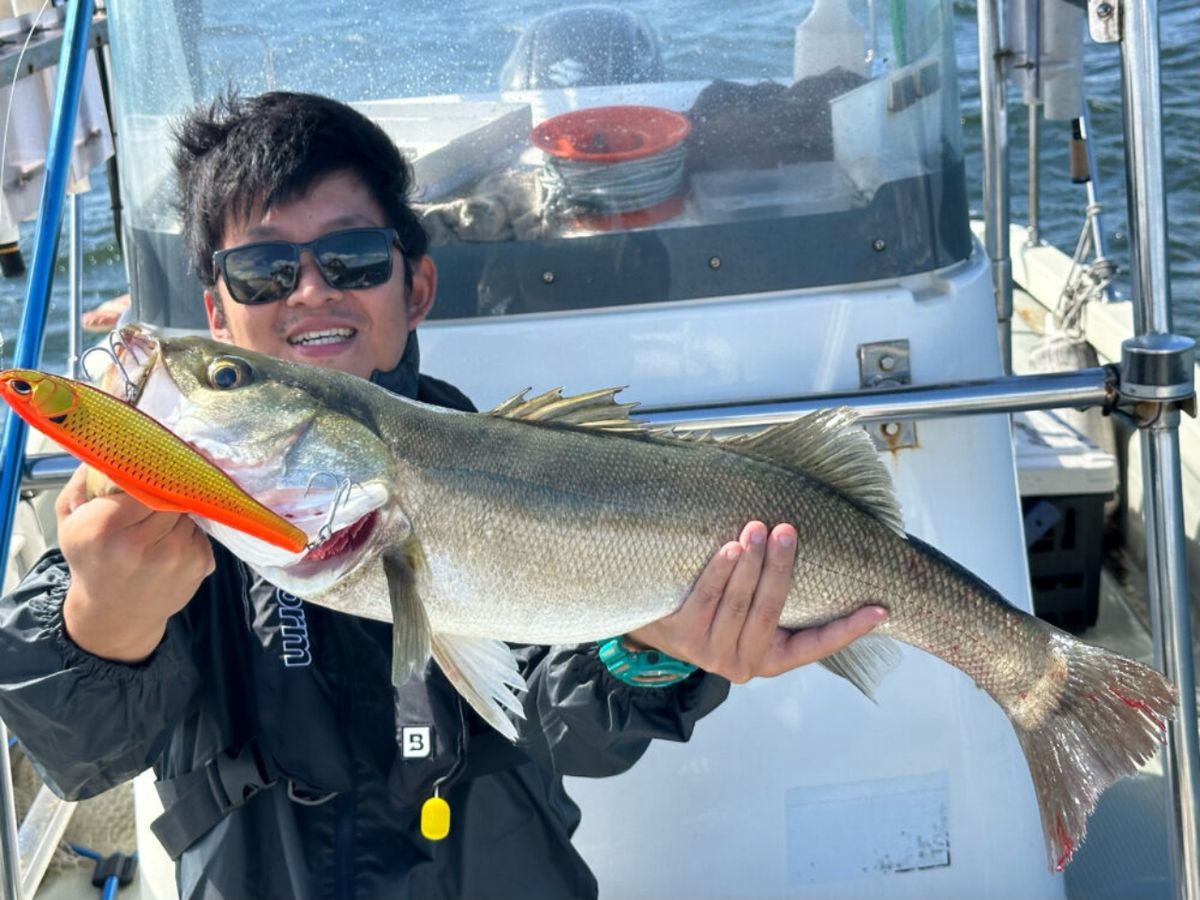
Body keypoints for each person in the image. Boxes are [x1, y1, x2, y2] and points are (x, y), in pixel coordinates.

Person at [0, 92, 886, 899]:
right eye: (264, 271)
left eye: (350, 258)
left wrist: (648, 658)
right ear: (219, 313)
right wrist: (104, 619)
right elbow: (75, 757)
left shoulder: (506, 459)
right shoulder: (153, 504)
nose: (311, 289)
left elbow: (560, 720)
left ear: (415, 285)